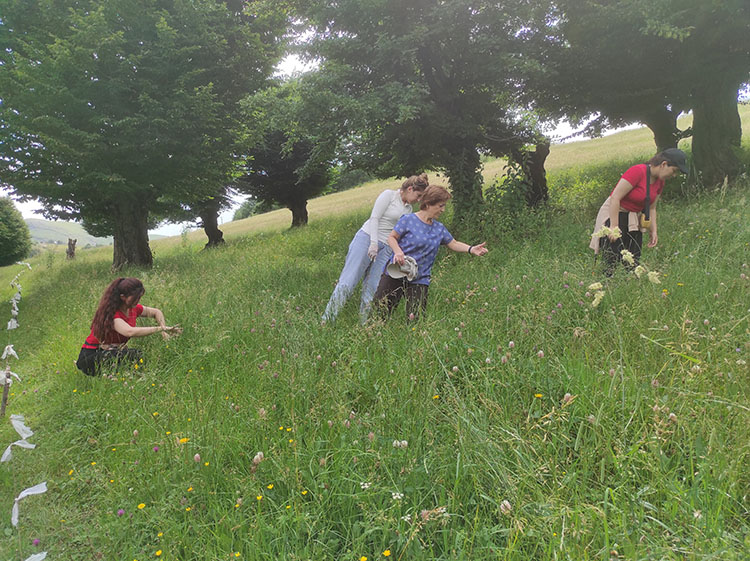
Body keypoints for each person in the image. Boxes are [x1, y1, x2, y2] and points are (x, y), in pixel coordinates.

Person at [322, 174, 429, 323]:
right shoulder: (389, 195)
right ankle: (327, 320)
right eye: (418, 196)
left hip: (386, 248)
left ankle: (365, 324)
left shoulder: (408, 209)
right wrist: (373, 243)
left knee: (373, 287)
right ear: (410, 189)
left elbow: (399, 233)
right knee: (348, 281)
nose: (418, 200)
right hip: (367, 239)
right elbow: (374, 218)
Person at [373, 185, 488, 321]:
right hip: (396, 272)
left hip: (419, 279)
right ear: (428, 204)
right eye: (440, 206)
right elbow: (392, 237)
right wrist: (398, 252)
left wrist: (471, 249)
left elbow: (454, 243)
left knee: (416, 320)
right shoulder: (407, 220)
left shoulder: (439, 228)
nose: (443, 210)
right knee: (379, 315)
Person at [590, 148, 688, 275]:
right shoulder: (637, 171)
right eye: (674, 171)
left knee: (633, 260)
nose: (674, 175)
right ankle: (606, 286)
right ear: (664, 164)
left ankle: (630, 286)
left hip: (633, 218)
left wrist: (653, 230)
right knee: (612, 258)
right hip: (615, 213)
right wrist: (614, 226)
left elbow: (652, 207)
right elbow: (615, 197)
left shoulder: (660, 182)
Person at [76, 277, 181, 376]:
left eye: (139, 297)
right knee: (133, 357)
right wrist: (160, 329)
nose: (138, 300)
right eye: (135, 298)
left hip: (110, 352)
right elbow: (129, 332)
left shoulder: (133, 309)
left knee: (136, 356)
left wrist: (164, 329)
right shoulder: (113, 315)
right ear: (123, 297)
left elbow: (156, 312)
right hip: (90, 357)